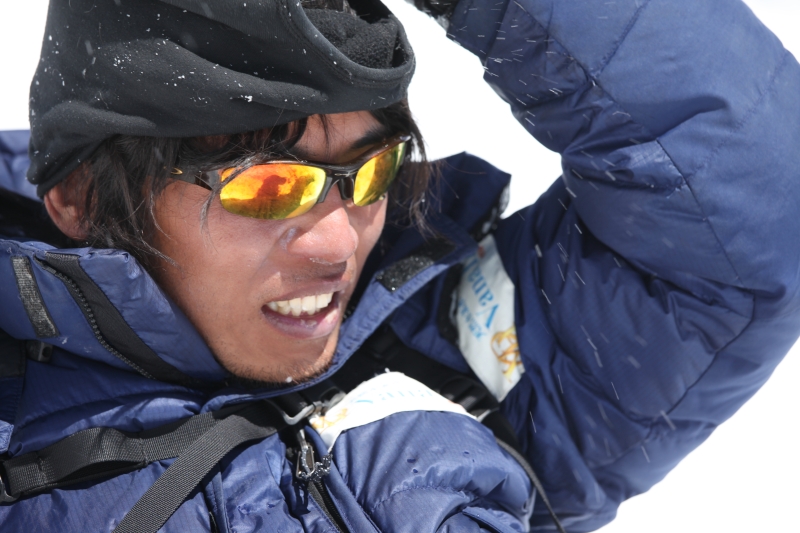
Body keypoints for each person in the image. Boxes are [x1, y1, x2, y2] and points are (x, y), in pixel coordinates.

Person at [1, 0, 798, 532]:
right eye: (267, 187)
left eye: (372, 171)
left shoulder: (434, 337)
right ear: (81, 197)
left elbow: (753, 207)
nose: (337, 244)